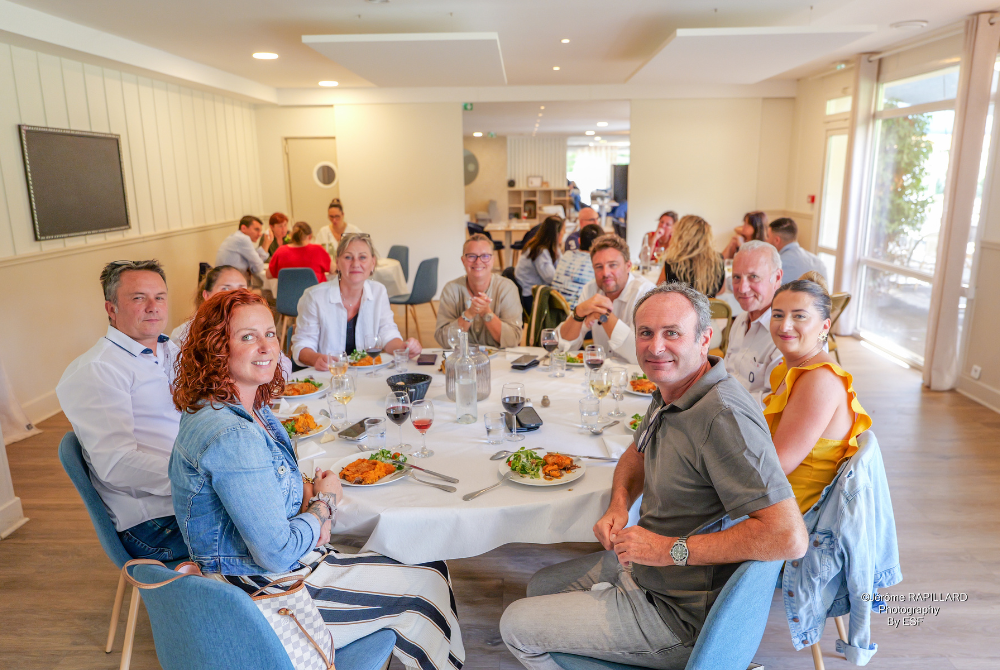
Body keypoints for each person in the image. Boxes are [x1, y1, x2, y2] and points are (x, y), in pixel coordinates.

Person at [500, 283, 808, 670]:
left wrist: (667, 550)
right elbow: (637, 453)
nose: (655, 347)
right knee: (539, 588)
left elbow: (789, 537)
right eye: (645, 332)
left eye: (672, 333)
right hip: (646, 571)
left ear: (704, 339)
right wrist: (619, 504)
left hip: (680, 614)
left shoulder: (723, 417)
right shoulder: (673, 390)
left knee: (515, 624)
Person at [169, 289, 465, 669]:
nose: (267, 347)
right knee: (429, 579)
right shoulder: (232, 434)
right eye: (248, 337)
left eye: (270, 334)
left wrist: (308, 498)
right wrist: (323, 506)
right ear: (216, 348)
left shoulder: (242, 407)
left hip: (273, 570)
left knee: (420, 560)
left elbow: (261, 496)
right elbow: (275, 552)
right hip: (265, 594)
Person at [55, 260, 187, 561]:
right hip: (155, 522)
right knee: (270, 532)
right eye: (139, 298)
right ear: (111, 308)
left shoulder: (172, 351)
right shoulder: (98, 370)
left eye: (160, 297)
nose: (153, 307)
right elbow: (116, 463)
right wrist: (199, 481)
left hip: (190, 501)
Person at [763, 273, 871, 514]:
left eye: (799, 316)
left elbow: (775, 467)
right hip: (775, 498)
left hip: (796, 516)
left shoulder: (820, 380)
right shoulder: (788, 370)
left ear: (825, 326)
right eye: (777, 315)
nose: (784, 326)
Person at [292, 232, 421, 368]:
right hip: (328, 374)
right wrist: (316, 358)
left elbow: (387, 333)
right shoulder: (314, 297)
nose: (355, 263)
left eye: (362, 257)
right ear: (338, 263)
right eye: (348, 257)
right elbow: (302, 345)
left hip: (366, 374)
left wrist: (404, 348)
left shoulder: (378, 292)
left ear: (372, 263)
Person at [556, 234, 655, 364]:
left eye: (612, 265)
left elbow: (642, 355)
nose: (605, 273)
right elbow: (562, 349)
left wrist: (604, 315)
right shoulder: (590, 289)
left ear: (628, 266)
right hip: (599, 372)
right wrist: (578, 313)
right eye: (598, 267)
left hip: (636, 375)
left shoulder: (645, 293)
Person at [723, 240, 785, 408]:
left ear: (777, 278)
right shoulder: (740, 321)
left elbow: (775, 403)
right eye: (737, 277)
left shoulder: (785, 334)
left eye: (753, 277)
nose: (742, 288)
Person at [434, 233, 523, 348]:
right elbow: (443, 339)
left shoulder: (507, 288)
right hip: (461, 357)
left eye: (485, 256)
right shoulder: (451, 289)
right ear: (463, 260)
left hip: (500, 357)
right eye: (472, 256)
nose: (478, 261)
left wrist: (487, 313)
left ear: (493, 260)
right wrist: (469, 314)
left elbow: (513, 340)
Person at [170, 265, 248, 347]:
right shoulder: (182, 336)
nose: (235, 295)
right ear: (206, 295)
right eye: (225, 289)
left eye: (242, 289)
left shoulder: (251, 327)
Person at [657, 215, 725, 297]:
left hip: (681, 305)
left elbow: (658, 289)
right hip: (708, 305)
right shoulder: (717, 260)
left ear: (681, 235)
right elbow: (721, 291)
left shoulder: (672, 262)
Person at [514, 216, 565, 315]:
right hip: (530, 297)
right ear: (556, 234)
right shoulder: (540, 251)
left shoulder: (548, 247)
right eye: (563, 231)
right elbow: (551, 278)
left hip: (535, 293)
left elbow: (562, 266)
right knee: (563, 310)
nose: (564, 233)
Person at [551, 223, 602, 308]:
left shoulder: (567, 255)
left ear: (579, 241)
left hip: (555, 309)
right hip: (576, 311)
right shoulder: (595, 262)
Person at [767, 217, 827, 285]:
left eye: (768, 236)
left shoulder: (777, 265)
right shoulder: (819, 262)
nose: (765, 240)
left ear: (777, 240)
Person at [268, 221, 332, 283]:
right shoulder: (318, 250)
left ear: (292, 236)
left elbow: (268, 275)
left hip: (289, 290)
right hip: (315, 290)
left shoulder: (281, 251)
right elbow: (332, 269)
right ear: (310, 236)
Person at [215, 215, 273, 284]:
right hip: (229, 283)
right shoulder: (243, 239)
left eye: (260, 231)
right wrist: (266, 244)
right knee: (266, 289)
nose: (260, 234)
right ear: (243, 228)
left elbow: (256, 262)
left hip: (224, 280)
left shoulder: (235, 237)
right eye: (256, 229)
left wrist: (266, 244)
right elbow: (258, 268)